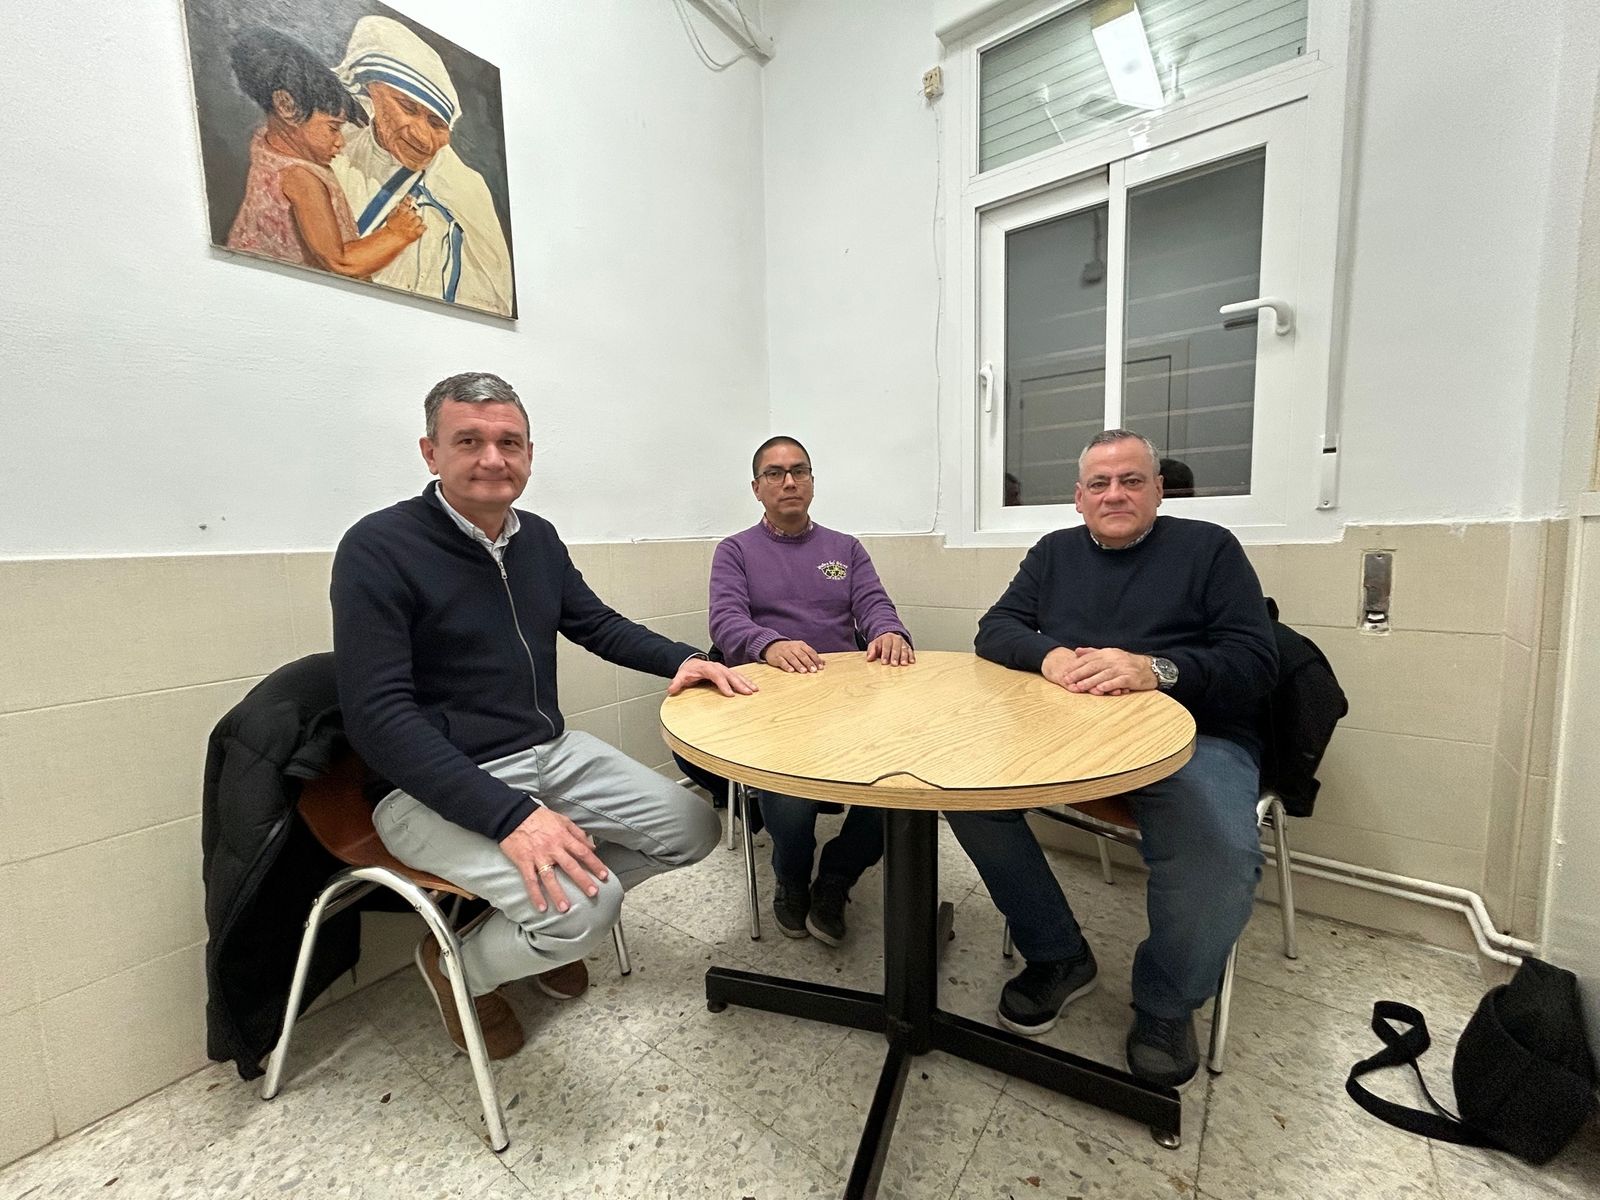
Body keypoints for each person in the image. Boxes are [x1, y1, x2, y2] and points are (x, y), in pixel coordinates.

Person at [331, 371, 752, 1059]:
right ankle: (459, 970)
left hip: (547, 752)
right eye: (468, 440)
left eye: (509, 442)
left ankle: (540, 921)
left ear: (530, 453)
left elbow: (594, 623)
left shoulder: (539, 539)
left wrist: (682, 660)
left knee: (691, 827)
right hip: (426, 784)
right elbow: (378, 718)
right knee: (587, 910)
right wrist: (512, 816)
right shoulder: (378, 548)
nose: (492, 459)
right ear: (429, 452)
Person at [946, 429, 1276, 1089]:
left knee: (1220, 852)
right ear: (1078, 497)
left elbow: (1256, 663)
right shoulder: (1054, 553)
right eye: (1100, 483)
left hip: (1194, 734)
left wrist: (1155, 669)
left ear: (1159, 489)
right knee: (960, 789)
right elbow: (995, 628)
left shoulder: (1209, 549)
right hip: (1071, 730)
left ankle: (1164, 1004)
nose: (1115, 493)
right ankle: (1059, 954)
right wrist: (1049, 655)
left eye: (1131, 480)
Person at [709, 436, 914, 944]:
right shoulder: (735, 550)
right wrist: (768, 643)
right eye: (775, 474)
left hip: (848, 700)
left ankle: (838, 875)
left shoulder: (845, 548)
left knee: (902, 786)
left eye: (799, 471)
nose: (789, 482)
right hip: (775, 704)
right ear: (756, 488)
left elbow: (874, 604)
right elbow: (725, 621)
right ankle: (792, 877)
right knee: (790, 797)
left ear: (812, 482)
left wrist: (888, 630)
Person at [331, 16, 516, 316]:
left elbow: (491, 300)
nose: (422, 136)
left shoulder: (463, 188)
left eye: (436, 123)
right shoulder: (338, 149)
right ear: (373, 89)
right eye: (407, 108)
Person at [225, 27, 424, 274]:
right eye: (333, 128)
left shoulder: (269, 148)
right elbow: (339, 261)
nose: (341, 142)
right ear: (285, 105)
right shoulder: (300, 178)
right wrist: (397, 233)